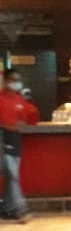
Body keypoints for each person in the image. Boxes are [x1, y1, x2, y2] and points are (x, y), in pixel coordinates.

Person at [0, 68, 39, 222]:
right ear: (6, 81)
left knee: (11, 176)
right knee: (12, 175)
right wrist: (8, 126)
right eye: (13, 80)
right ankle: (21, 209)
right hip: (3, 140)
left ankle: (6, 209)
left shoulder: (19, 100)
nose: (16, 83)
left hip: (15, 142)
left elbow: (31, 117)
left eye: (18, 80)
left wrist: (24, 121)